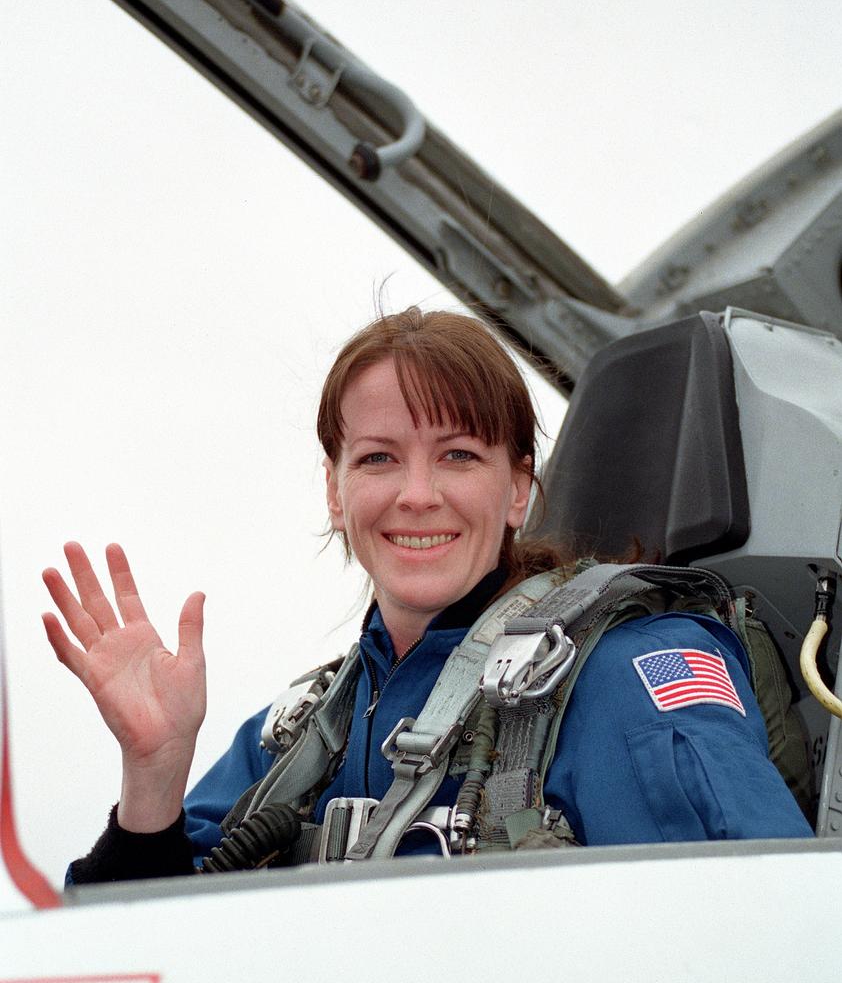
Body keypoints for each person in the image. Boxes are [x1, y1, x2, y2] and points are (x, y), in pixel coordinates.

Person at [43, 308, 812, 884]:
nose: (417, 495)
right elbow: (143, 972)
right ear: (336, 492)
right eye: (379, 458)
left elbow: (764, 935)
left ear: (517, 489)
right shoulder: (300, 738)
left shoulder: (626, 672)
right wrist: (154, 773)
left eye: (457, 455)